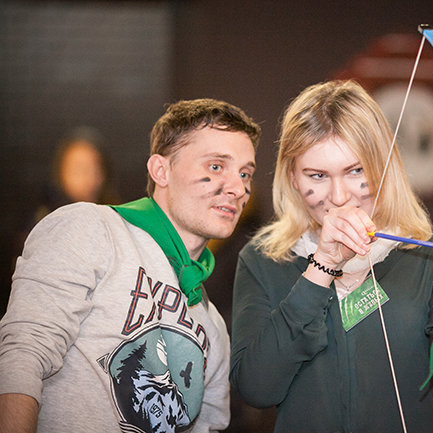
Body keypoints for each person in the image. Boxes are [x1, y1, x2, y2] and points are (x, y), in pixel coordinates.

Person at [229, 80, 433, 433]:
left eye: (355, 171)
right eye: (318, 176)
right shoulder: (264, 259)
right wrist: (322, 267)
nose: (339, 196)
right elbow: (256, 387)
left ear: (384, 167)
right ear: (293, 178)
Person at [0, 98, 261, 433]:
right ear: (161, 171)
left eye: (245, 173)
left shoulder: (212, 325)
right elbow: (23, 355)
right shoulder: (91, 228)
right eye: (215, 166)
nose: (238, 188)